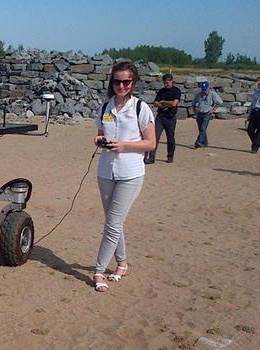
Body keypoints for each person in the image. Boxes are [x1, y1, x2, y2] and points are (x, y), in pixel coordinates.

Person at [92, 61, 156, 292]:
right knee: (113, 222)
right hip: (106, 171)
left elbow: (151, 143)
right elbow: (101, 133)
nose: (121, 85)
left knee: (112, 223)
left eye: (126, 81)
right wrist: (100, 140)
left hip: (131, 173)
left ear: (133, 83)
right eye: (117, 81)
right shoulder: (105, 108)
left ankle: (99, 270)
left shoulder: (141, 108)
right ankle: (122, 263)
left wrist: (125, 145)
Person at [145, 73, 182, 164]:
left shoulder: (176, 91)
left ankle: (170, 156)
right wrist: (163, 104)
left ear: (172, 81)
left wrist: (164, 102)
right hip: (160, 117)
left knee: (170, 138)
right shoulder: (161, 91)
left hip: (170, 117)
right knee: (155, 137)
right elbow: (155, 103)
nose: (166, 84)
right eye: (165, 82)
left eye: (168, 82)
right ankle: (151, 157)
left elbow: (174, 103)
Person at [191, 81, 223, 148]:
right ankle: (205, 143)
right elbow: (193, 103)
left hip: (207, 113)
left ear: (209, 88)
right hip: (200, 113)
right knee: (201, 129)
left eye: (205, 89)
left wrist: (213, 109)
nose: (204, 91)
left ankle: (198, 142)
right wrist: (194, 110)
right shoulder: (199, 94)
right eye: (203, 89)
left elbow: (220, 102)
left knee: (203, 128)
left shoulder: (213, 94)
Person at [247, 77, 260, 154]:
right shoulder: (257, 92)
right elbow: (252, 104)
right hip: (254, 112)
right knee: (250, 130)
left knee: (259, 131)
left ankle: (254, 148)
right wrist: (249, 114)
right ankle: (257, 143)